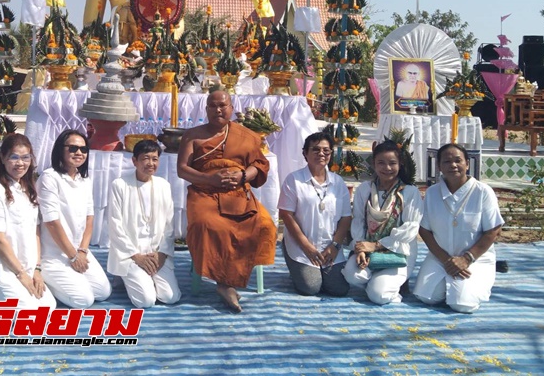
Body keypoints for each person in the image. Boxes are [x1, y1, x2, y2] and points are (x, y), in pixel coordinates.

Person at [177, 89, 276, 313]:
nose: (218, 109)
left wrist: (243, 176)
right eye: (213, 106)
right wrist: (209, 178)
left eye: (223, 105)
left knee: (264, 224)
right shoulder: (192, 135)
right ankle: (225, 283)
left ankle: (228, 281)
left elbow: (259, 165)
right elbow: (182, 169)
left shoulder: (247, 135)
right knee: (208, 225)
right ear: (206, 109)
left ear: (232, 108)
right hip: (204, 192)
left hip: (238, 192)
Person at [414, 144, 504, 313]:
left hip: (474, 259)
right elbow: (424, 230)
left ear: (467, 164)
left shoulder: (483, 192)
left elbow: (493, 231)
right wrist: (446, 260)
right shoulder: (432, 193)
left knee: (462, 304)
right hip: (440, 258)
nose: (453, 165)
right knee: (427, 297)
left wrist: (466, 259)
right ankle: (451, 282)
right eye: (446, 161)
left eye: (458, 160)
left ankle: (465, 285)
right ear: (439, 166)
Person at [0, 134, 56, 310]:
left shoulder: (27, 189)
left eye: (25, 157)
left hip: (24, 266)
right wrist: (21, 274)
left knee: (48, 306)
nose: (20, 163)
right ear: (3, 158)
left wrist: (36, 270)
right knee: (31, 312)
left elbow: (36, 231)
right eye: (14, 157)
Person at [37, 129, 111, 308]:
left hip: (79, 251)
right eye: (73, 148)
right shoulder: (49, 178)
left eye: (83, 149)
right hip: (55, 254)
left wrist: (83, 252)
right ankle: (49, 280)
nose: (79, 153)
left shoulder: (84, 179)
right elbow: (52, 222)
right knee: (84, 300)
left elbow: (89, 218)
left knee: (103, 292)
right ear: (60, 150)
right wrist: (72, 256)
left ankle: (71, 278)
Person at [342, 140, 422, 305]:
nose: (387, 168)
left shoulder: (409, 192)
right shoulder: (364, 189)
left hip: (398, 251)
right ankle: (380, 282)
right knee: (351, 275)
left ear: (400, 164)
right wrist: (360, 249)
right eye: (381, 163)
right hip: (368, 250)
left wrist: (376, 246)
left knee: (379, 296)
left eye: (392, 163)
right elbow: (358, 221)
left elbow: (410, 229)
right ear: (373, 164)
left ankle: (386, 286)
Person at [108, 140, 181, 308]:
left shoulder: (163, 185)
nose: (150, 163)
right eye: (145, 158)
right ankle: (131, 277)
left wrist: (162, 254)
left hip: (156, 254)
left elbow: (170, 224)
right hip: (131, 255)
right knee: (146, 301)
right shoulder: (120, 185)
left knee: (171, 297)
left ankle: (145, 278)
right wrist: (137, 256)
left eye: (155, 159)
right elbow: (115, 225)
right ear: (134, 161)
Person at [278, 132, 351, 297]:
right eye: (316, 150)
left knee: (339, 289)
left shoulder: (338, 182)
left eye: (326, 150)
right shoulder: (293, 180)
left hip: (330, 247)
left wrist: (335, 246)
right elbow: (286, 215)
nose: (321, 154)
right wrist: (307, 247)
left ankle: (320, 271)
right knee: (311, 287)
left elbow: (346, 217)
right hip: (301, 246)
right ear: (305, 153)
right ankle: (296, 266)